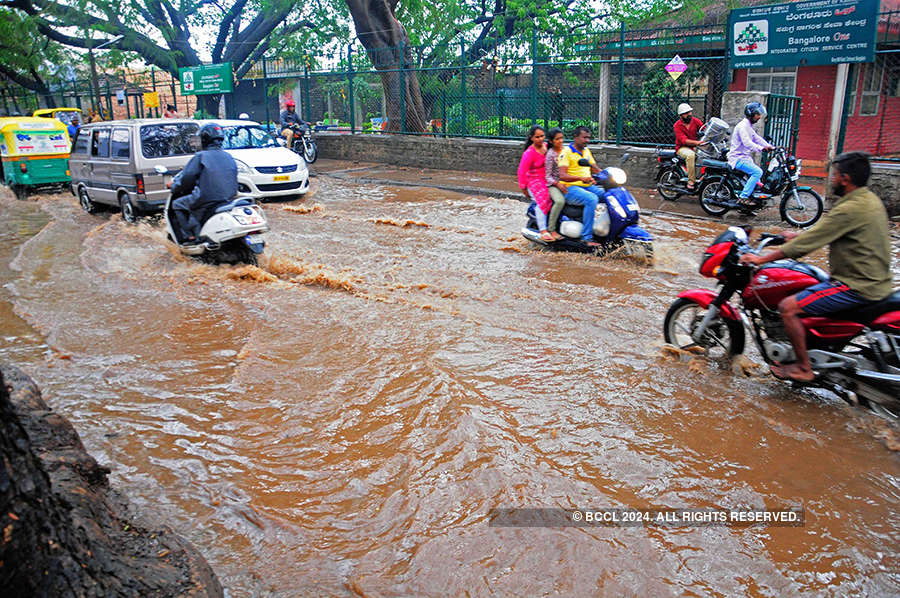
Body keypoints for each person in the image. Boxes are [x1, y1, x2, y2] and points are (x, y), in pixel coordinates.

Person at [739, 152, 893, 382]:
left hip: (856, 287)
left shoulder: (848, 209)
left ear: (846, 179)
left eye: (835, 176)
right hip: (875, 283)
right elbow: (827, 231)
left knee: (788, 307)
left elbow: (806, 246)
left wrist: (759, 260)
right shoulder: (868, 201)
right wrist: (799, 236)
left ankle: (804, 368)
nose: (831, 180)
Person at [171, 123, 238, 244]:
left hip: (206, 199)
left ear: (204, 139)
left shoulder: (200, 156)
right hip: (228, 199)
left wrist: (174, 186)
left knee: (177, 204)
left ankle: (190, 237)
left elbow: (187, 178)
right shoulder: (229, 156)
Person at [558, 126, 603, 247]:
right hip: (570, 188)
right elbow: (562, 175)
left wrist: (607, 175)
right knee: (591, 199)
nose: (587, 140)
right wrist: (581, 178)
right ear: (576, 137)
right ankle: (586, 237)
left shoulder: (586, 151)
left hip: (587, 186)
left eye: (589, 137)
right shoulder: (566, 152)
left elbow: (595, 168)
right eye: (584, 137)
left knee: (608, 194)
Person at [729, 102, 775, 207]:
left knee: (757, 182)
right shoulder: (742, 126)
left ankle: (750, 204)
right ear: (751, 114)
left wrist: (769, 146)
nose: (759, 117)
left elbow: (756, 138)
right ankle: (743, 197)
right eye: (757, 114)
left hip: (745, 158)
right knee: (757, 172)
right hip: (737, 159)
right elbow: (747, 143)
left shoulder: (748, 126)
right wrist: (761, 148)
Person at [517, 125, 558, 242]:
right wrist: (523, 188)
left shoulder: (547, 147)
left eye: (542, 136)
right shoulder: (529, 153)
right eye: (537, 137)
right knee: (543, 198)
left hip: (547, 178)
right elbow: (522, 171)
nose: (540, 139)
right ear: (532, 138)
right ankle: (543, 230)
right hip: (534, 181)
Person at [543, 127, 569, 241]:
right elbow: (547, 176)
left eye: (562, 138)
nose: (561, 141)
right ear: (551, 141)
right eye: (557, 139)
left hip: (568, 181)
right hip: (553, 184)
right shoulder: (550, 155)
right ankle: (551, 229)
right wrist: (557, 184)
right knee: (559, 201)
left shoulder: (566, 151)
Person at [673, 103, 703, 191]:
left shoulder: (696, 121)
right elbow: (684, 141)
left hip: (695, 146)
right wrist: (698, 143)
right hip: (682, 148)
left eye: (689, 112)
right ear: (681, 115)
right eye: (686, 113)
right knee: (691, 155)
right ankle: (691, 181)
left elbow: (704, 129)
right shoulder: (677, 126)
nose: (689, 114)